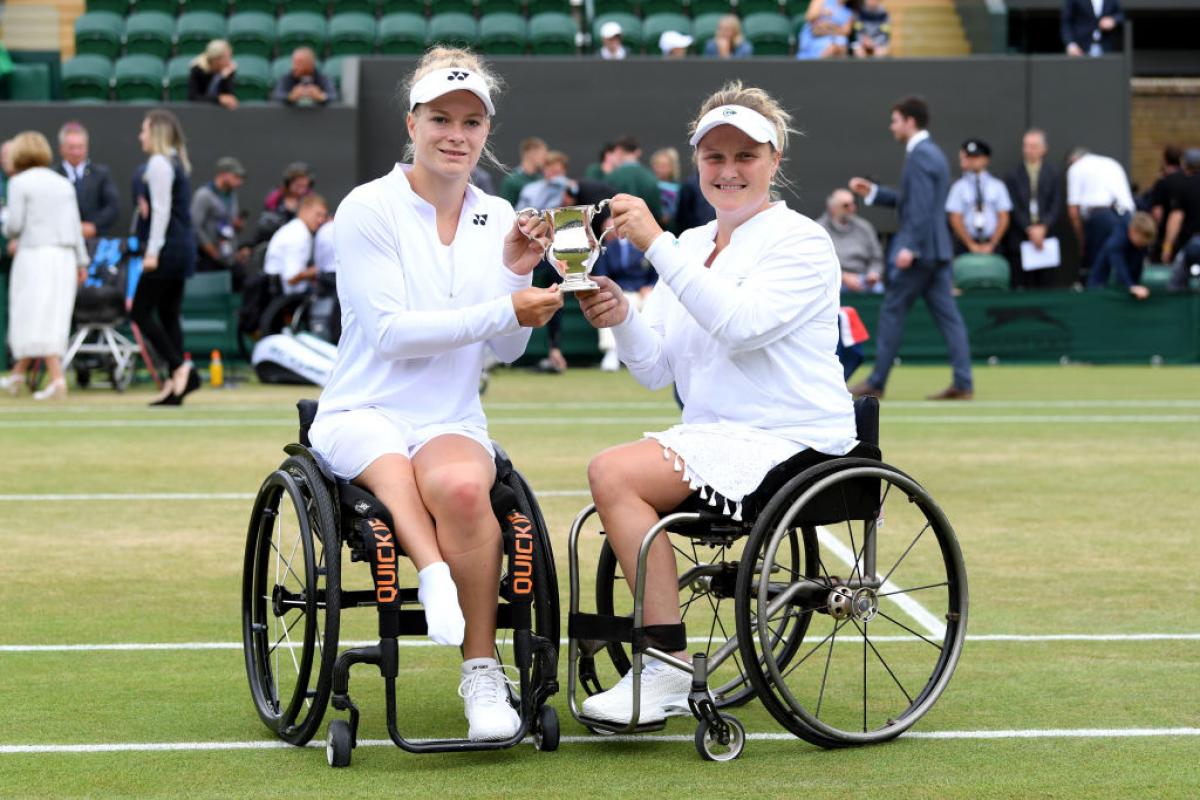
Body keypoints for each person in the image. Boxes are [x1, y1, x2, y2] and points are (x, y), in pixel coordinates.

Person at [575, 82, 857, 724]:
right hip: (718, 438)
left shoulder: (801, 241)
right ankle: (661, 662)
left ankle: (666, 669)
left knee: (612, 471)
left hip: (793, 440)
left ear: (775, 160)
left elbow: (739, 323)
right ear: (697, 161)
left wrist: (655, 245)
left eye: (745, 156)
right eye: (714, 157)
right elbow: (654, 370)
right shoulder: (695, 244)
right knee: (617, 472)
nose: (728, 171)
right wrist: (621, 315)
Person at [307, 46, 562, 741]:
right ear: (413, 121)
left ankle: (481, 671)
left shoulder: (499, 213)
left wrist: (516, 277)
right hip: (362, 407)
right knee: (387, 460)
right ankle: (432, 572)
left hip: (449, 415)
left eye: (471, 121)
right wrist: (505, 309)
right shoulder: (368, 208)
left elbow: (505, 349)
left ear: (487, 130)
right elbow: (390, 335)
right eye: (441, 118)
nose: (456, 134)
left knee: (459, 488)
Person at [848, 96, 974, 400]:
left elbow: (920, 207)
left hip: (919, 254)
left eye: (895, 120)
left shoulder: (920, 155)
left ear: (909, 122)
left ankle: (876, 382)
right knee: (950, 319)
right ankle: (963, 382)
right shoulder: (931, 154)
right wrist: (875, 194)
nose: (892, 126)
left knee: (892, 312)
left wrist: (911, 247)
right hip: (937, 252)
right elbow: (915, 200)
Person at [0, 132, 88, 400]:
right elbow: (75, 227)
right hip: (63, 258)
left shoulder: (18, 183)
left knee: (34, 315)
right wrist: (81, 262)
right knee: (51, 315)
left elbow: (13, 226)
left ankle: (58, 380)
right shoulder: (63, 184)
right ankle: (17, 375)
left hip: (34, 256)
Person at [132, 109, 199, 406]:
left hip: (168, 248)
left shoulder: (159, 162)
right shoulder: (174, 161)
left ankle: (178, 367)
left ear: (156, 133)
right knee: (169, 314)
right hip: (181, 247)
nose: (140, 136)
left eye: (144, 130)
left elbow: (161, 210)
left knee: (140, 312)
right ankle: (176, 386)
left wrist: (152, 251)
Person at [1066, 147, 1135, 286]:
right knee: (1120, 262)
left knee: (1096, 269)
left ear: (1074, 159)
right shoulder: (1112, 163)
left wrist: (1082, 241)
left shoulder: (1076, 168)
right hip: (1128, 218)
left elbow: (1073, 212)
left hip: (1101, 219)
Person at [1004, 128, 1064, 288]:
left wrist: (1043, 227)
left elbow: (1055, 203)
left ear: (1043, 149)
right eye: (1026, 146)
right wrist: (1029, 228)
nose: (1028, 150)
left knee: (1046, 283)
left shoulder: (1052, 173)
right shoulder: (1013, 174)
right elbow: (1013, 206)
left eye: (1033, 146)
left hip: (1046, 237)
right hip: (1021, 236)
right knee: (1023, 283)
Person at [593, 231, 656, 372]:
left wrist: (650, 286)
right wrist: (614, 291)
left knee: (653, 300)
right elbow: (602, 276)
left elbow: (656, 274)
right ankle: (611, 353)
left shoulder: (644, 245)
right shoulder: (609, 248)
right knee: (607, 303)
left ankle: (652, 353)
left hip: (642, 292)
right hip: (620, 292)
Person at [54, 121, 119, 242]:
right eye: (71, 147)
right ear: (61, 149)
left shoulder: (101, 174)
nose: (76, 152)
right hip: (60, 241)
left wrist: (93, 226)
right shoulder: (53, 175)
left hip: (93, 242)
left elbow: (112, 207)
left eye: (80, 147)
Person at [945, 138, 1012, 257]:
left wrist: (992, 243)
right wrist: (971, 244)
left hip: (992, 244)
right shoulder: (958, 187)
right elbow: (955, 218)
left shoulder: (997, 186)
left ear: (985, 159)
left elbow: (1004, 217)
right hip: (965, 245)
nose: (972, 161)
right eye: (969, 157)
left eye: (976, 157)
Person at [817, 188, 883, 293]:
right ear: (833, 208)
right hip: (833, 280)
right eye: (846, 205)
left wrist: (873, 274)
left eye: (853, 204)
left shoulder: (864, 227)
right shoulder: (819, 229)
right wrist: (843, 276)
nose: (852, 208)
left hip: (863, 278)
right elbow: (818, 264)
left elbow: (876, 257)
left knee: (878, 289)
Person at [263, 193, 328, 296]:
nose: (321, 220)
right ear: (304, 210)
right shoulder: (298, 234)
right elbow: (291, 278)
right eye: (318, 215)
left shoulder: (297, 229)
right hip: (287, 300)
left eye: (324, 216)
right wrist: (318, 270)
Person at [191, 156, 246, 278]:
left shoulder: (232, 195)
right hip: (207, 258)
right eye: (235, 177)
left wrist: (236, 225)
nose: (239, 182)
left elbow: (229, 224)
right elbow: (194, 226)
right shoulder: (203, 195)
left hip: (227, 256)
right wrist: (212, 250)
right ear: (223, 174)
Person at [1088, 211, 1155, 299]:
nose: (1142, 246)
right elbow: (1119, 265)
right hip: (1100, 284)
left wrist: (1135, 285)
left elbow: (1138, 264)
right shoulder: (1117, 240)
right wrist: (1131, 286)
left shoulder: (1140, 243)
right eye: (1141, 243)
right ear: (1132, 232)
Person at [607, 136, 664, 224]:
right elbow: (658, 214)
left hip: (619, 232)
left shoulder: (612, 177)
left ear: (619, 150)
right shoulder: (650, 177)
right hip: (647, 233)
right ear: (638, 152)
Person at [1161, 148, 1200, 267]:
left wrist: (1167, 247)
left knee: (1177, 282)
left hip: (1190, 242)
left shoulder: (1184, 184)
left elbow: (1176, 217)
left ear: (1184, 163)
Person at [272, 47, 338, 107]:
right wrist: (291, 96)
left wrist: (320, 96)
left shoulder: (323, 78)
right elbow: (276, 95)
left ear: (310, 63)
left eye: (299, 63)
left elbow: (334, 96)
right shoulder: (287, 77)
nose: (294, 67)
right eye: (293, 62)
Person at [188, 39, 238, 110]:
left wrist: (223, 78)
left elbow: (228, 97)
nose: (229, 61)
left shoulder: (228, 70)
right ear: (216, 59)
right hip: (198, 111)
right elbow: (193, 97)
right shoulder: (198, 69)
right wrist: (218, 99)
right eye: (227, 57)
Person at [499, 137, 546, 207]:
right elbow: (504, 210)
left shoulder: (542, 179)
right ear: (531, 153)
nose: (545, 159)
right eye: (543, 156)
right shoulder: (511, 181)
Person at [650, 147, 681, 231]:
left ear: (671, 167)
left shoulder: (679, 188)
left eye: (663, 166)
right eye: (657, 165)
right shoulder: (650, 186)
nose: (660, 169)